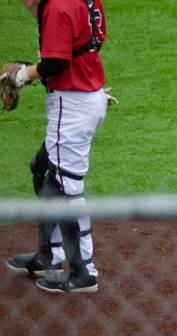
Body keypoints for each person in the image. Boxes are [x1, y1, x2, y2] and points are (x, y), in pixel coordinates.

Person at [5, 0, 109, 293]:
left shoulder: (59, 6)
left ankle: (83, 271)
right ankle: (49, 254)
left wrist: (23, 75)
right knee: (42, 169)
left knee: (66, 186)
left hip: (72, 104)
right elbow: (90, 43)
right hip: (84, 95)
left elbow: (56, 63)